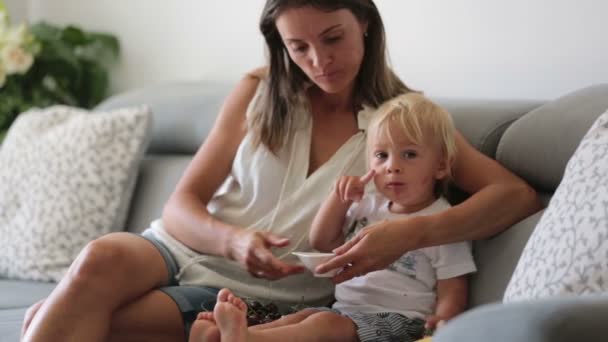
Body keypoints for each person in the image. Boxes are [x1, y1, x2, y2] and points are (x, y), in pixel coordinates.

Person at [21, 1, 541, 341]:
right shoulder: (257, 90)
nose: (319, 61)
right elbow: (182, 206)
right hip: (185, 245)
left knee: (74, 320)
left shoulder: (403, 124)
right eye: (299, 47)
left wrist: (409, 233)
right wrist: (233, 241)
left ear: (364, 21)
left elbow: (514, 196)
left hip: (259, 294)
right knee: (98, 258)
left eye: (333, 38)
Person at [189, 92, 477, 342]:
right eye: (381, 156)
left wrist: (443, 323)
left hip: (400, 322)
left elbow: (453, 288)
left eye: (409, 154)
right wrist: (338, 200)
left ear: (441, 166)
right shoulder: (368, 206)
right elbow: (322, 240)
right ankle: (231, 335)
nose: (392, 167)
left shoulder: (442, 222)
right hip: (343, 310)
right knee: (301, 319)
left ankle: (244, 338)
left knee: (323, 324)